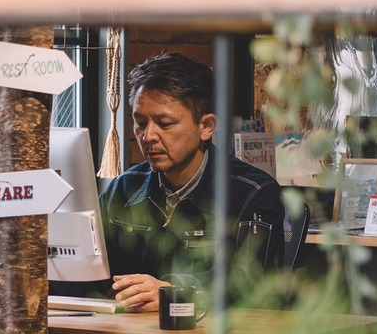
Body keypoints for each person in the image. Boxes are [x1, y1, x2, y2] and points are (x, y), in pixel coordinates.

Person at [99, 53, 284, 312]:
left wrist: (175, 293)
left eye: (164, 123)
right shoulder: (123, 189)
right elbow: (92, 274)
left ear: (206, 126)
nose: (148, 136)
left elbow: (249, 285)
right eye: (140, 123)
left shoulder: (252, 193)